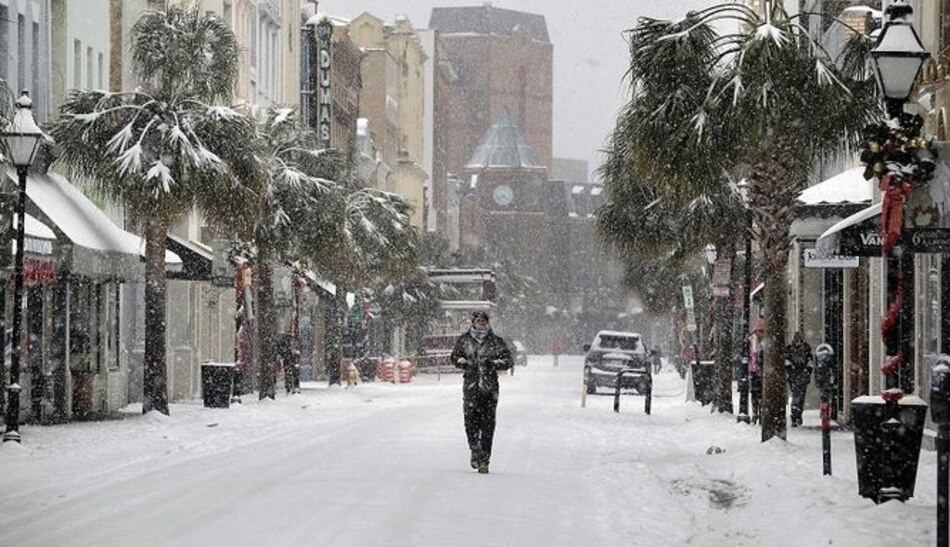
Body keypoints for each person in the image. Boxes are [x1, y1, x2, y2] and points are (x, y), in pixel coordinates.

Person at [450, 311, 513, 474]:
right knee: (471, 423)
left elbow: (508, 360)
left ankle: (484, 459)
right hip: (471, 388)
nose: (481, 323)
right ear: (473, 322)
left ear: (488, 322)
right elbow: (454, 357)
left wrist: (494, 364)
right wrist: (462, 362)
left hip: (489, 390)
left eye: (484, 321)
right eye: (478, 320)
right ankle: (475, 450)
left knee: (488, 425)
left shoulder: (496, 342)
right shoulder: (464, 340)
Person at [784, 331, 814, 427]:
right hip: (798, 375)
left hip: (797, 375)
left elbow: (787, 362)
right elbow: (810, 362)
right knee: (799, 396)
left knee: (797, 396)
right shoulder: (805, 348)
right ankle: (796, 415)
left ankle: (796, 414)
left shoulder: (791, 349)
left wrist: (790, 371)